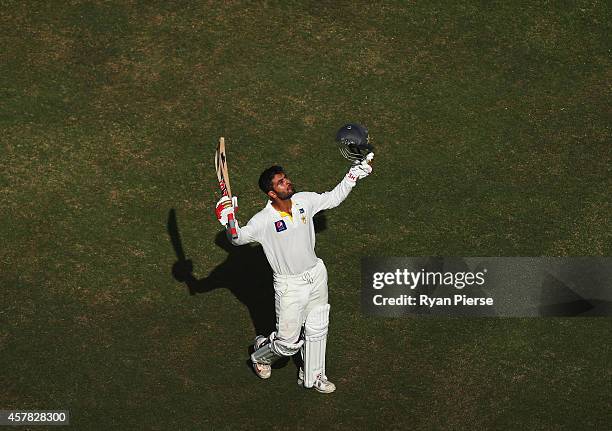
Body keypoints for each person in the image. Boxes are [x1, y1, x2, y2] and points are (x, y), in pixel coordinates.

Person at [215, 153, 373, 393]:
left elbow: (332, 198)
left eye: (285, 178)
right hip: (290, 286)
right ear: (271, 193)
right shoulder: (263, 220)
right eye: (281, 182)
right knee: (287, 345)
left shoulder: (303, 201)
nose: (287, 182)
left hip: (316, 274)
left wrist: (353, 175)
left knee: (318, 326)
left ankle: (314, 375)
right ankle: (261, 355)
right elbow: (238, 238)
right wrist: (228, 221)